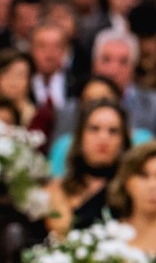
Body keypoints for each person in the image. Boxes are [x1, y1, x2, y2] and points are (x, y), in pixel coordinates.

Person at [44, 99, 131, 238]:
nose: (103, 138)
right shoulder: (57, 189)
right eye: (94, 129)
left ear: (123, 141)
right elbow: (61, 236)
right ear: (80, 137)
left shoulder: (132, 191)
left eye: (113, 131)